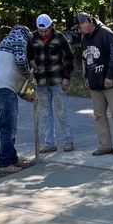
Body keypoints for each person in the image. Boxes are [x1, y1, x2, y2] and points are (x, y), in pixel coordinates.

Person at [75, 11, 113, 156]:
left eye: (81, 25)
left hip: (111, 82)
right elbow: (85, 58)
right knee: (99, 115)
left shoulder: (106, 33)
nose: (80, 29)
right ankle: (105, 145)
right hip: (95, 83)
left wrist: (110, 76)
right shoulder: (85, 38)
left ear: (88, 21)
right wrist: (86, 76)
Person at [0, 25, 35, 168]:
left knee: (5, 126)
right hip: (4, 89)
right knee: (9, 127)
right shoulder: (19, 38)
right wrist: (28, 75)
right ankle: (5, 162)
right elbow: (21, 61)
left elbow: (10, 73)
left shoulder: (3, 44)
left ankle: (12, 158)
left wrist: (24, 94)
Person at [29, 14, 75, 153]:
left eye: (46, 31)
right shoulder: (32, 38)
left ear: (51, 26)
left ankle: (68, 141)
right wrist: (32, 69)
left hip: (58, 80)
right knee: (45, 113)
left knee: (61, 111)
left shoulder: (60, 37)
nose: (43, 33)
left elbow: (69, 58)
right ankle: (50, 143)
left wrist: (67, 78)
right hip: (41, 82)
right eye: (41, 31)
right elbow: (29, 57)